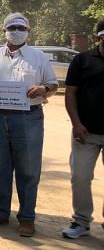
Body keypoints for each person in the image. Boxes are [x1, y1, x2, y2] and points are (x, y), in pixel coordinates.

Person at [0, 12, 57, 237]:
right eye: (12, 27)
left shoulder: (38, 56)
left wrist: (43, 89)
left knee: (28, 170)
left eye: (21, 28)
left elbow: (53, 84)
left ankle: (27, 217)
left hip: (28, 118)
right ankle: (0, 212)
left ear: (28, 31)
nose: (16, 31)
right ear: (4, 31)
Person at [61, 20, 104, 239]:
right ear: (99, 37)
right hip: (86, 132)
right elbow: (70, 93)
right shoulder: (82, 60)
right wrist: (76, 123)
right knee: (80, 176)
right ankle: (81, 221)